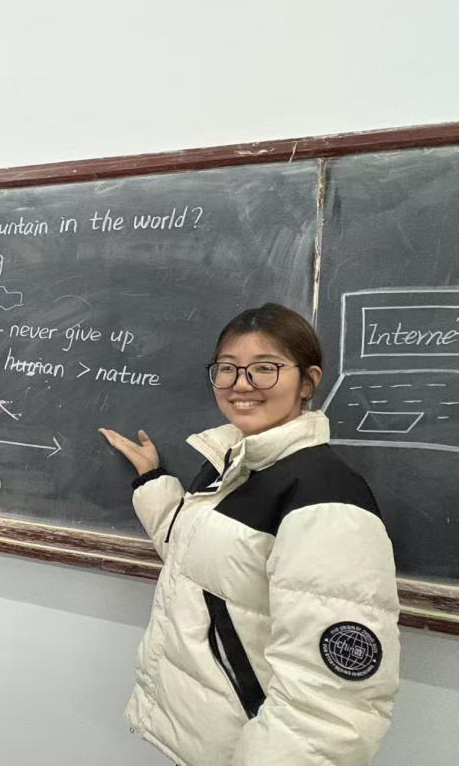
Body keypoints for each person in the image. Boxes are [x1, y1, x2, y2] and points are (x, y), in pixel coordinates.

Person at [99, 303, 400, 766]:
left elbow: (327, 708)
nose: (241, 384)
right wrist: (153, 482)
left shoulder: (327, 502)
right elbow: (198, 559)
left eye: (265, 368)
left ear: (308, 381)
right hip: (205, 736)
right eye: (228, 368)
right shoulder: (234, 464)